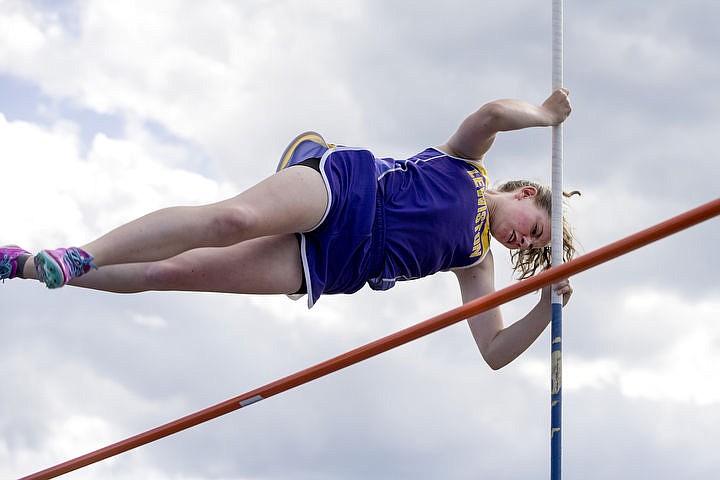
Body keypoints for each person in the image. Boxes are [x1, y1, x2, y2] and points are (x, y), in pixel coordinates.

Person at [1, 88, 576, 370]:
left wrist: (544, 308)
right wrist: (545, 116)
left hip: (335, 265)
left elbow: (495, 352)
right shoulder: (467, 164)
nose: (524, 242)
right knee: (231, 220)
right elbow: (495, 114)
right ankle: (82, 253)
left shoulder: (476, 264)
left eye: (532, 247)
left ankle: (31, 266)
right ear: (526, 194)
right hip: (347, 191)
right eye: (535, 228)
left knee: (167, 274)